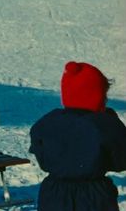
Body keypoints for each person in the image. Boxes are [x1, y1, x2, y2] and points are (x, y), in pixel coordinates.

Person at [29, 61, 126, 211]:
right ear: (95, 96)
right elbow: (120, 162)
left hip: (53, 194)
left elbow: (42, 156)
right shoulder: (104, 124)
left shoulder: (48, 122)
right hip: (95, 196)